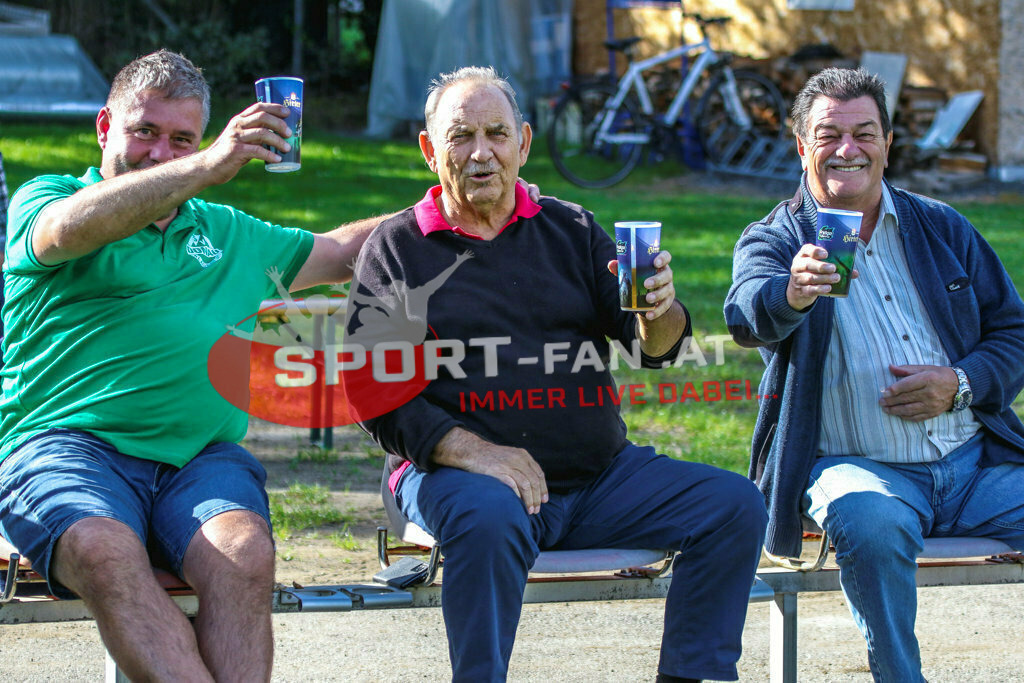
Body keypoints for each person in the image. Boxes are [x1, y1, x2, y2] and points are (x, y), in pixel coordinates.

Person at [349, 66, 767, 683]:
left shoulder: (569, 227)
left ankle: (692, 674)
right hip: (459, 476)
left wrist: (661, 310)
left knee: (733, 504)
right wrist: (476, 453)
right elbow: (373, 394)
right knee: (488, 519)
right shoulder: (396, 248)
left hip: (599, 479)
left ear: (523, 142)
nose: (481, 153)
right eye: (461, 136)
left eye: (496, 134)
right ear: (429, 149)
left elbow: (653, 349)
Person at [0, 49, 389, 680]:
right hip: (65, 450)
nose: (162, 152)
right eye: (144, 132)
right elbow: (68, 232)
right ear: (104, 127)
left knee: (243, 554)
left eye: (183, 139)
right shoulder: (47, 199)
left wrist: (456, 202)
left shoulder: (224, 230)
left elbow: (344, 251)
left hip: (200, 458)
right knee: (102, 550)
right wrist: (207, 166)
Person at [724, 67, 1024, 681]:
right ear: (802, 146)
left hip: (973, 467)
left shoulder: (941, 226)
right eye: (828, 134)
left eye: (864, 133)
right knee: (870, 521)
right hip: (857, 470)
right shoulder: (779, 238)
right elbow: (747, 314)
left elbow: (1013, 331)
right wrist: (793, 292)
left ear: (888, 143)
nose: (847, 149)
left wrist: (960, 383)